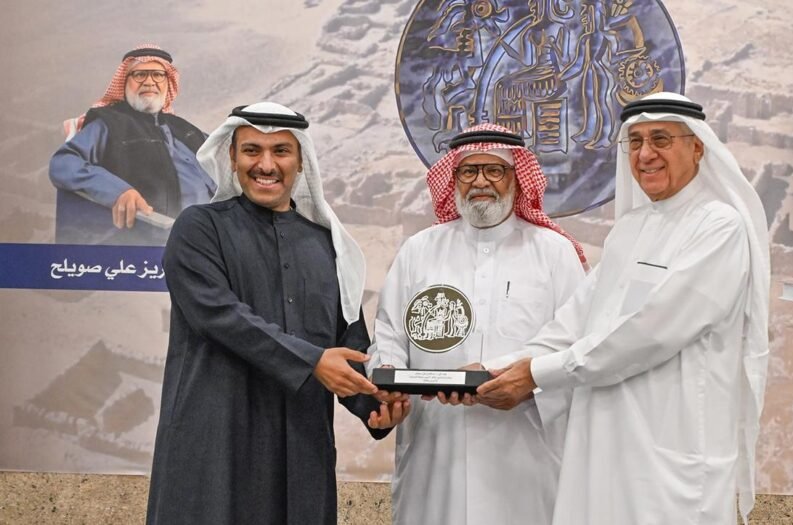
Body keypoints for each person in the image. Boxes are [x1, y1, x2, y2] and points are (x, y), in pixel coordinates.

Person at [477, 92, 771, 524]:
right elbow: (575, 321)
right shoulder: (630, 229)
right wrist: (490, 371)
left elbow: (648, 333)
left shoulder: (718, 227)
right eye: (635, 142)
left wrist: (536, 374)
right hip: (603, 446)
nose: (645, 154)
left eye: (660, 139)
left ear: (697, 147)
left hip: (671, 460)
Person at [146, 102, 408, 524]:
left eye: (281, 151)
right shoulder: (199, 228)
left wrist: (376, 406)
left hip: (300, 452)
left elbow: (349, 346)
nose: (266, 165)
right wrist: (312, 361)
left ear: (301, 161)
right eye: (252, 150)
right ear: (232, 157)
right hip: (217, 445)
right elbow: (218, 315)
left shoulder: (327, 246)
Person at [368, 124, 587, 525]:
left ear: (517, 178)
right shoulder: (419, 249)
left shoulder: (554, 252)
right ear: (453, 178)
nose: (480, 182)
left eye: (494, 170)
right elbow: (389, 334)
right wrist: (389, 383)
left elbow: (573, 340)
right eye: (468, 171)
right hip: (436, 444)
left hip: (524, 448)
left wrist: (515, 377)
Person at [49, 45, 215, 245]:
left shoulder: (185, 128)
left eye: (158, 75)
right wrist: (118, 191)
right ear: (125, 82)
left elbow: (223, 162)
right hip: (154, 242)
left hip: (209, 239)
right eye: (139, 75)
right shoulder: (110, 124)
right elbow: (64, 163)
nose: (149, 82)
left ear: (168, 82)